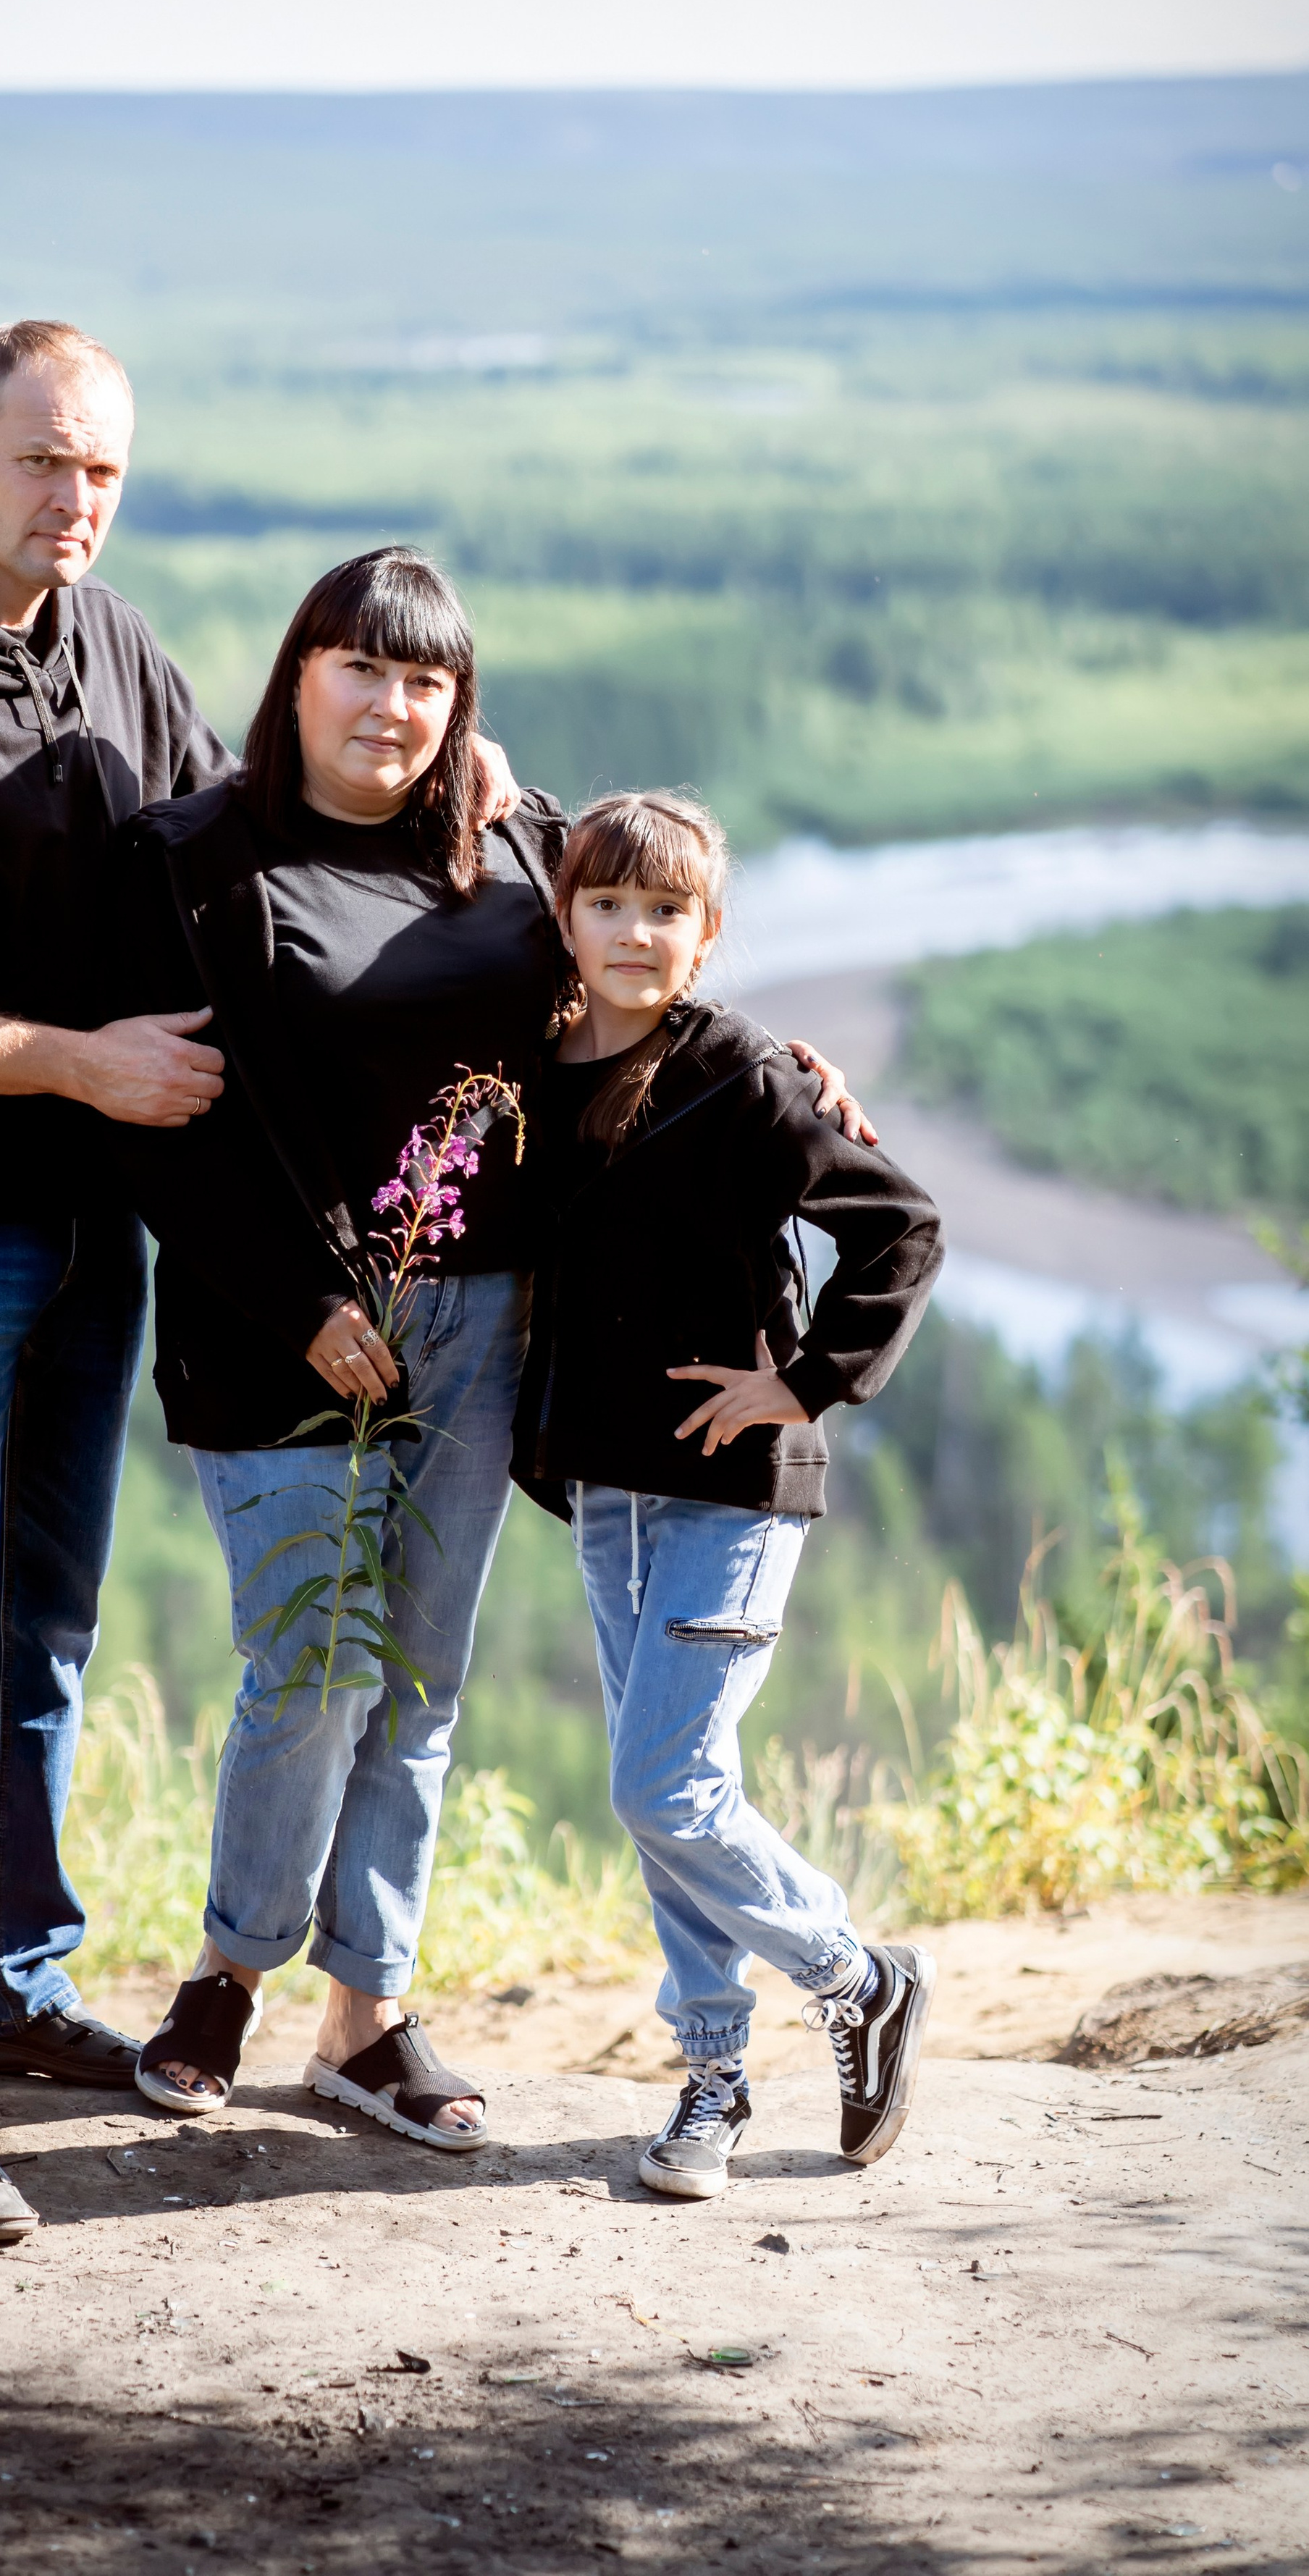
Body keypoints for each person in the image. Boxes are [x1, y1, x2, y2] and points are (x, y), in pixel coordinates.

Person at [0, 325, 526, 2245]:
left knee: (43, 1643)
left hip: (101, 1233)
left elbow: (235, 829)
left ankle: (7, 1988)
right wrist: (75, 1063)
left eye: (103, 474)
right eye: (42, 464)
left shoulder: (118, 649)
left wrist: (475, 787)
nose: (73, 502)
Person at [101, 556, 870, 2151]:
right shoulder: (194, 857)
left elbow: (644, 948)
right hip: (282, 1326)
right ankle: (230, 1971)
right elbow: (163, 1128)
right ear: (295, 675)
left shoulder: (514, 842)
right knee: (305, 1665)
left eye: (427, 682)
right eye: (358, 670)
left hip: (484, 1319)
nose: (391, 707)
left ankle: (364, 2018)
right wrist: (305, 1302)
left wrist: (786, 1072)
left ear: (462, 702)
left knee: (419, 1678)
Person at [513, 789, 945, 2200]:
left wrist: (806, 1382)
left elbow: (899, 1227)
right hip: (606, 1488)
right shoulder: (539, 1059)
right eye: (606, 904)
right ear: (563, 916)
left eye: (666, 911)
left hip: (727, 1488)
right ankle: (712, 2076)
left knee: (661, 1781)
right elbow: (503, 805)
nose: (634, 933)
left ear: (707, 935)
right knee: (666, 1794)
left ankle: (855, 1975)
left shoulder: (746, 1076)